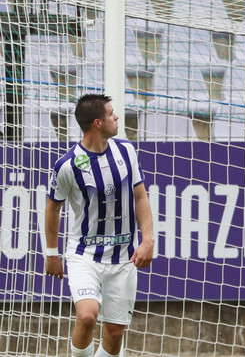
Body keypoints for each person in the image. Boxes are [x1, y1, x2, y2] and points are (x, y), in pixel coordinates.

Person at [44, 93, 154, 357]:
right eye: (111, 113)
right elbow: (52, 208)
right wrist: (51, 253)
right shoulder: (67, 165)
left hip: (122, 260)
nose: (116, 117)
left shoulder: (126, 151)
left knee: (115, 335)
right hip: (84, 256)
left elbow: (140, 195)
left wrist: (148, 238)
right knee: (87, 316)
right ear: (97, 123)